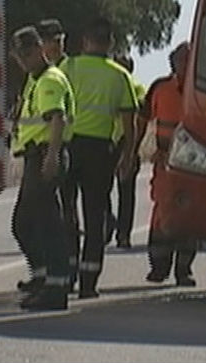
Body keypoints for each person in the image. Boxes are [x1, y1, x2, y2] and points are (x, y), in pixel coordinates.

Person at [57, 18, 139, 298]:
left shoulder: (68, 67)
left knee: (67, 212)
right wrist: (128, 156)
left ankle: (66, 274)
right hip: (99, 151)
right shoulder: (120, 76)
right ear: (111, 43)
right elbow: (129, 124)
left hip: (69, 147)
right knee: (95, 216)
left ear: (84, 41)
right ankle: (89, 283)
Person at [7, 25, 74, 311]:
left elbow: (57, 119)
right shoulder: (34, 80)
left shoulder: (50, 80)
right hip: (35, 155)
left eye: (27, 54)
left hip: (46, 154)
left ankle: (56, 288)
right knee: (24, 223)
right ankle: (43, 277)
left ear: (39, 49)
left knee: (47, 225)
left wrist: (52, 157)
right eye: (19, 57)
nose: (23, 61)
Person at [143, 42, 199, 286]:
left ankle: (183, 270)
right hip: (165, 161)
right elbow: (143, 119)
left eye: (189, 60)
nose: (185, 64)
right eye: (182, 60)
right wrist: (141, 151)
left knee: (189, 213)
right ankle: (159, 267)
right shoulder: (160, 88)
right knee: (162, 212)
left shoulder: (203, 90)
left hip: (194, 164)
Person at [109, 54, 145, 248]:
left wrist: (132, 149)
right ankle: (113, 226)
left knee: (123, 190)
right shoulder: (109, 86)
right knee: (108, 190)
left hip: (124, 140)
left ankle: (122, 233)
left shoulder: (136, 88)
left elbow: (140, 117)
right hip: (110, 140)